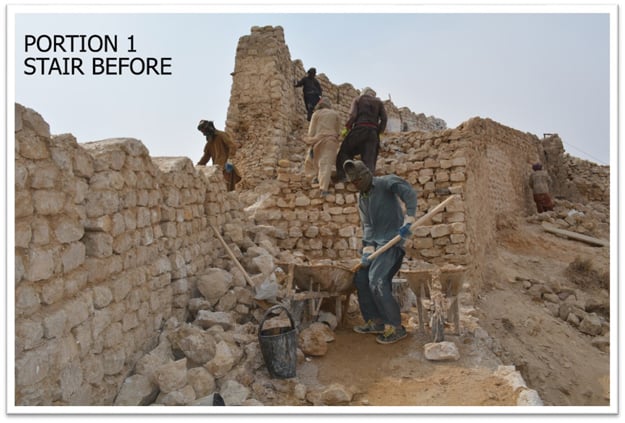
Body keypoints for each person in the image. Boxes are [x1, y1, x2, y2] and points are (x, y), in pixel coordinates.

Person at [344, 159, 417, 345]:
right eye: (353, 183)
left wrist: (409, 220)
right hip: (376, 248)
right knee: (361, 278)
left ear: (367, 175)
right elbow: (367, 225)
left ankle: (395, 327)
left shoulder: (385, 183)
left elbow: (408, 192)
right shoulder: (362, 198)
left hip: (392, 245)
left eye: (358, 181)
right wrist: (367, 250)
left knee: (377, 280)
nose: (356, 185)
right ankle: (374, 321)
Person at [335, 87, 387, 182]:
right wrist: (378, 132)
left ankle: (343, 176)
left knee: (345, 151)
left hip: (359, 129)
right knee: (369, 160)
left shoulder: (358, 99)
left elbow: (353, 115)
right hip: (373, 133)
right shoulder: (379, 102)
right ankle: (367, 184)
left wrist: (347, 128)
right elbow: (384, 119)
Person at [303, 97, 342, 196]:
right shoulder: (335, 114)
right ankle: (323, 188)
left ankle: (314, 178)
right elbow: (338, 131)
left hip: (318, 139)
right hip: (331, 140)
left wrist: (311, 140)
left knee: (315, 160)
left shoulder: (316, 114)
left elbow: (311, 131)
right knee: (326, 163)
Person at [197, 120, 241, 191]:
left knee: (227, 191)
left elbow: (232, 146)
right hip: (217, 170)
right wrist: (196, 168)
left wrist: (229, 160)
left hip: (227, 168)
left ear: (209, 128)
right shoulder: (209, 143)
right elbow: (205, 158)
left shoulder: (221, 135)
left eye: (204, 131)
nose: (204, 134)